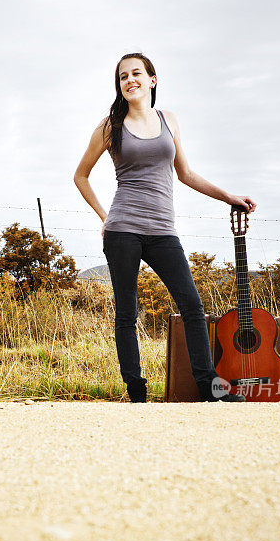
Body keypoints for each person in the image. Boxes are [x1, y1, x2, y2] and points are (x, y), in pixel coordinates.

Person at [73, 52, 257, 403]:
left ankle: (209, 388)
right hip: (123, 229)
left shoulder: (168, 120)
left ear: (152, 79)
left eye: (137, 73)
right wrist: (104, 217)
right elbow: (80, 175)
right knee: (127, 312)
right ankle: (137, 391)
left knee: (192, 305)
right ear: (120, 85)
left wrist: (228, 196)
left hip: (163, 231)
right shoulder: (110, 125)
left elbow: (185, 174)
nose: (130, 80)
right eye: (123, 76)